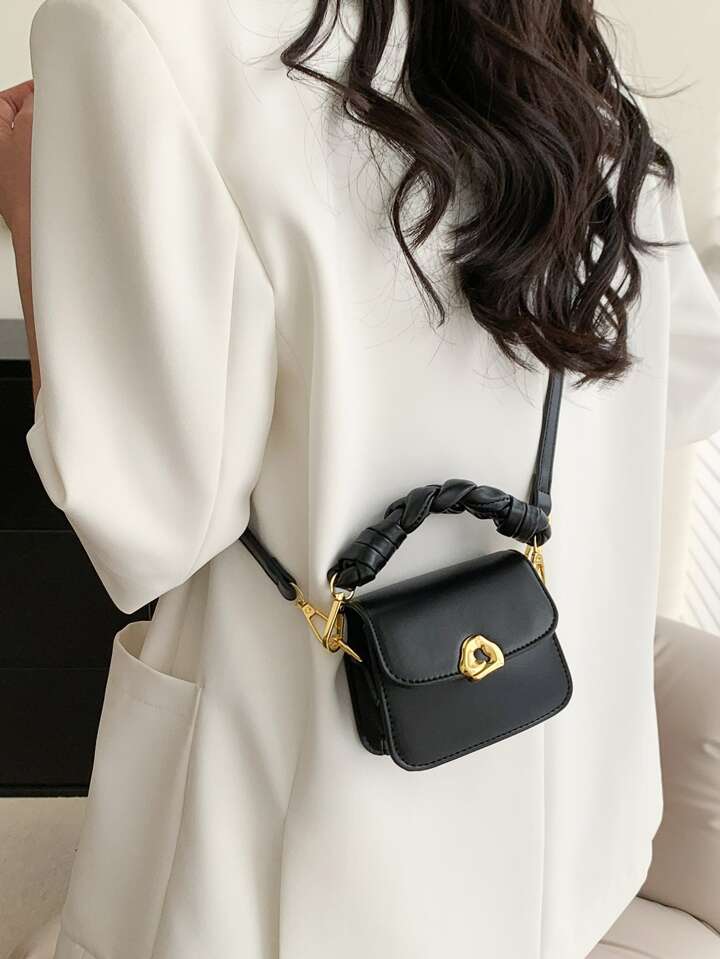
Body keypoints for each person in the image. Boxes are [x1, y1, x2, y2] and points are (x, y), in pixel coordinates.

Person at [1, 2, 719, 958]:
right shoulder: (546, 35)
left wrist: (29, 197)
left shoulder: (135, 26)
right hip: (565, 825)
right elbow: (681, 377)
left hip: (294, 843)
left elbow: (148, 517)